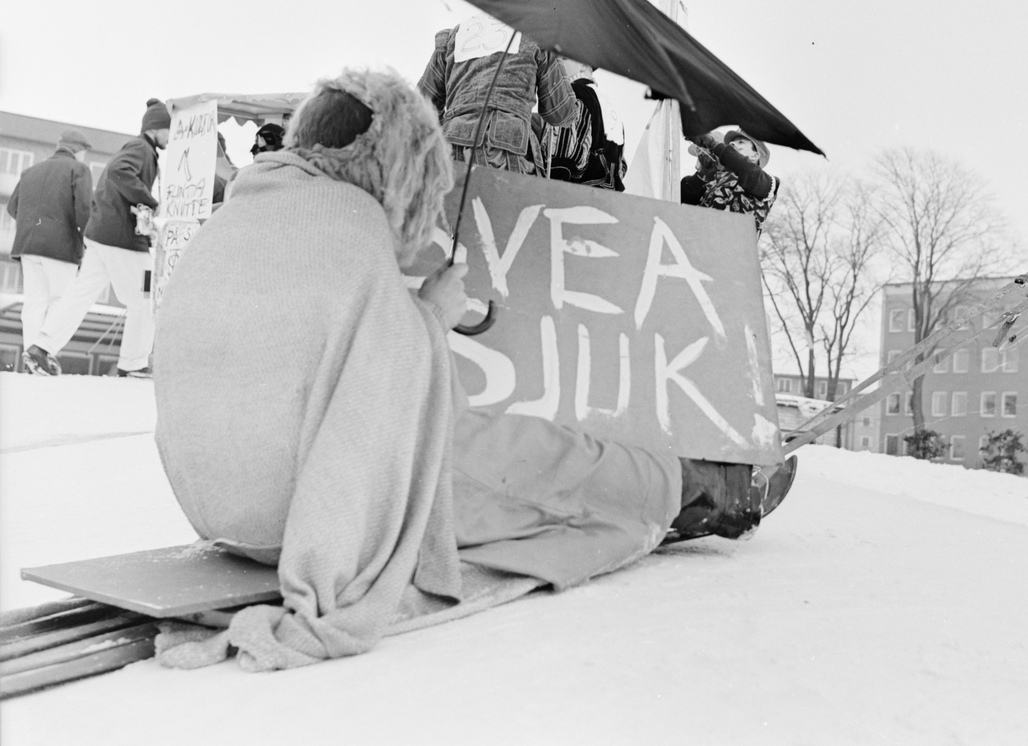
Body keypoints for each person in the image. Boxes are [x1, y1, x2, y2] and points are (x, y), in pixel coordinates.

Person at [151, 67, 796, 672]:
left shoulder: (250, 208)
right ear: (395, 162)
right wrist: (431, 313)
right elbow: (380, 393)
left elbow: (309, 349)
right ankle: (704, 489)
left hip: (212, 502)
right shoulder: (349, 222)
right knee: (532, 456)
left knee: (497, 461)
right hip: (291, 506)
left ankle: (678, 491)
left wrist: (412, 315)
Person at [24, 100, 171, 380]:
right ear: (155, 128)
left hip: (101, 235)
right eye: (168, 130)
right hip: (122, 238)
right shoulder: (141, 148)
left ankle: (41, 347)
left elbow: (117, 174)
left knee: (80, 295)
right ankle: (133, 363)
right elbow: (119, 171)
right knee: (145, 297)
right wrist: (149, 201)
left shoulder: (139, 148)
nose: (170, 136)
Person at [418, 14, 576, 173]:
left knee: (460, 196)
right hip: (507, 150)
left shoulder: (455, 36)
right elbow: (561, 113)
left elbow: (422, 107)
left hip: (454, 148)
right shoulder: (539, 36)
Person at [6, 129, 94, 372]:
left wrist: (32, 223)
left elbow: (13, 207)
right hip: (61, 247)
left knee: (34, 302)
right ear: (80, 151)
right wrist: (87, 239)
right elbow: (84, 210)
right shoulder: (79, 170)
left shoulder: (30, 171)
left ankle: (30, 355)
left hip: (28, 246)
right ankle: (44, 351)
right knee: (62, 300)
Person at [541, 59, 627, 190]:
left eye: (563, 58)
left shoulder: (576, 93)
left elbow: (564, 159)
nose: (557, 62)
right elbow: (621, 166)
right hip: (606, 200)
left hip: (576, 197)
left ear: (583, 65)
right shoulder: (609, 104)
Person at [682, 129, 779, 235]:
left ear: (755, 155)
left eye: (740, 142)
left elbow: (746, 169)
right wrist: (702, 175)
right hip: (700, 247)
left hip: (733, 249)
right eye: (730, 143)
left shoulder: (768, 183)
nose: (731, 144)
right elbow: (680, 202)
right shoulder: (713, 184)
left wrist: (713, 144)